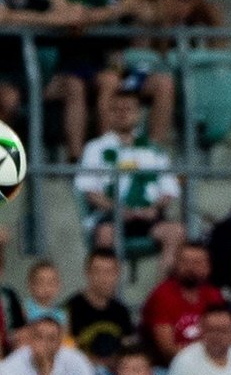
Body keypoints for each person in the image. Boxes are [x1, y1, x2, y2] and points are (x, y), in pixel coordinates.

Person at [75, 89, 185, 272]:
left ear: (138, 113)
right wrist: (117, 209)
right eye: (117, 109)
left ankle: (162, 288)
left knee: (176, 232)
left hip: (148, 216)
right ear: (109, 113)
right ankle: (110, 288)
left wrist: (153, 208)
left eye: (128, 109)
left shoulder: (154, 150)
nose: (123, 114)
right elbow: (90, 191)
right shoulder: (95, 148)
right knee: (105, 234)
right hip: (111, 216)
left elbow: (168, 190)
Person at [140, 242, 226, 364]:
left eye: (197, 262)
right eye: (185, 262)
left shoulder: (214, 295)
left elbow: (224, 335)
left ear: (208, 267)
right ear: (176, 265)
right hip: (168, 367)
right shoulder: (162, 295)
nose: (191, 268)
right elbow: (168, 350)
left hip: (208, 363)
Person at [65, 249, 137, 360]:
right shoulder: (70, 309)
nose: (104, 278)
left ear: (117, 274)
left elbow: (129, 351)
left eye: (109, 272)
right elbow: (66, 353)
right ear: (87, 273)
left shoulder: (122, 311)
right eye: (97, 271)